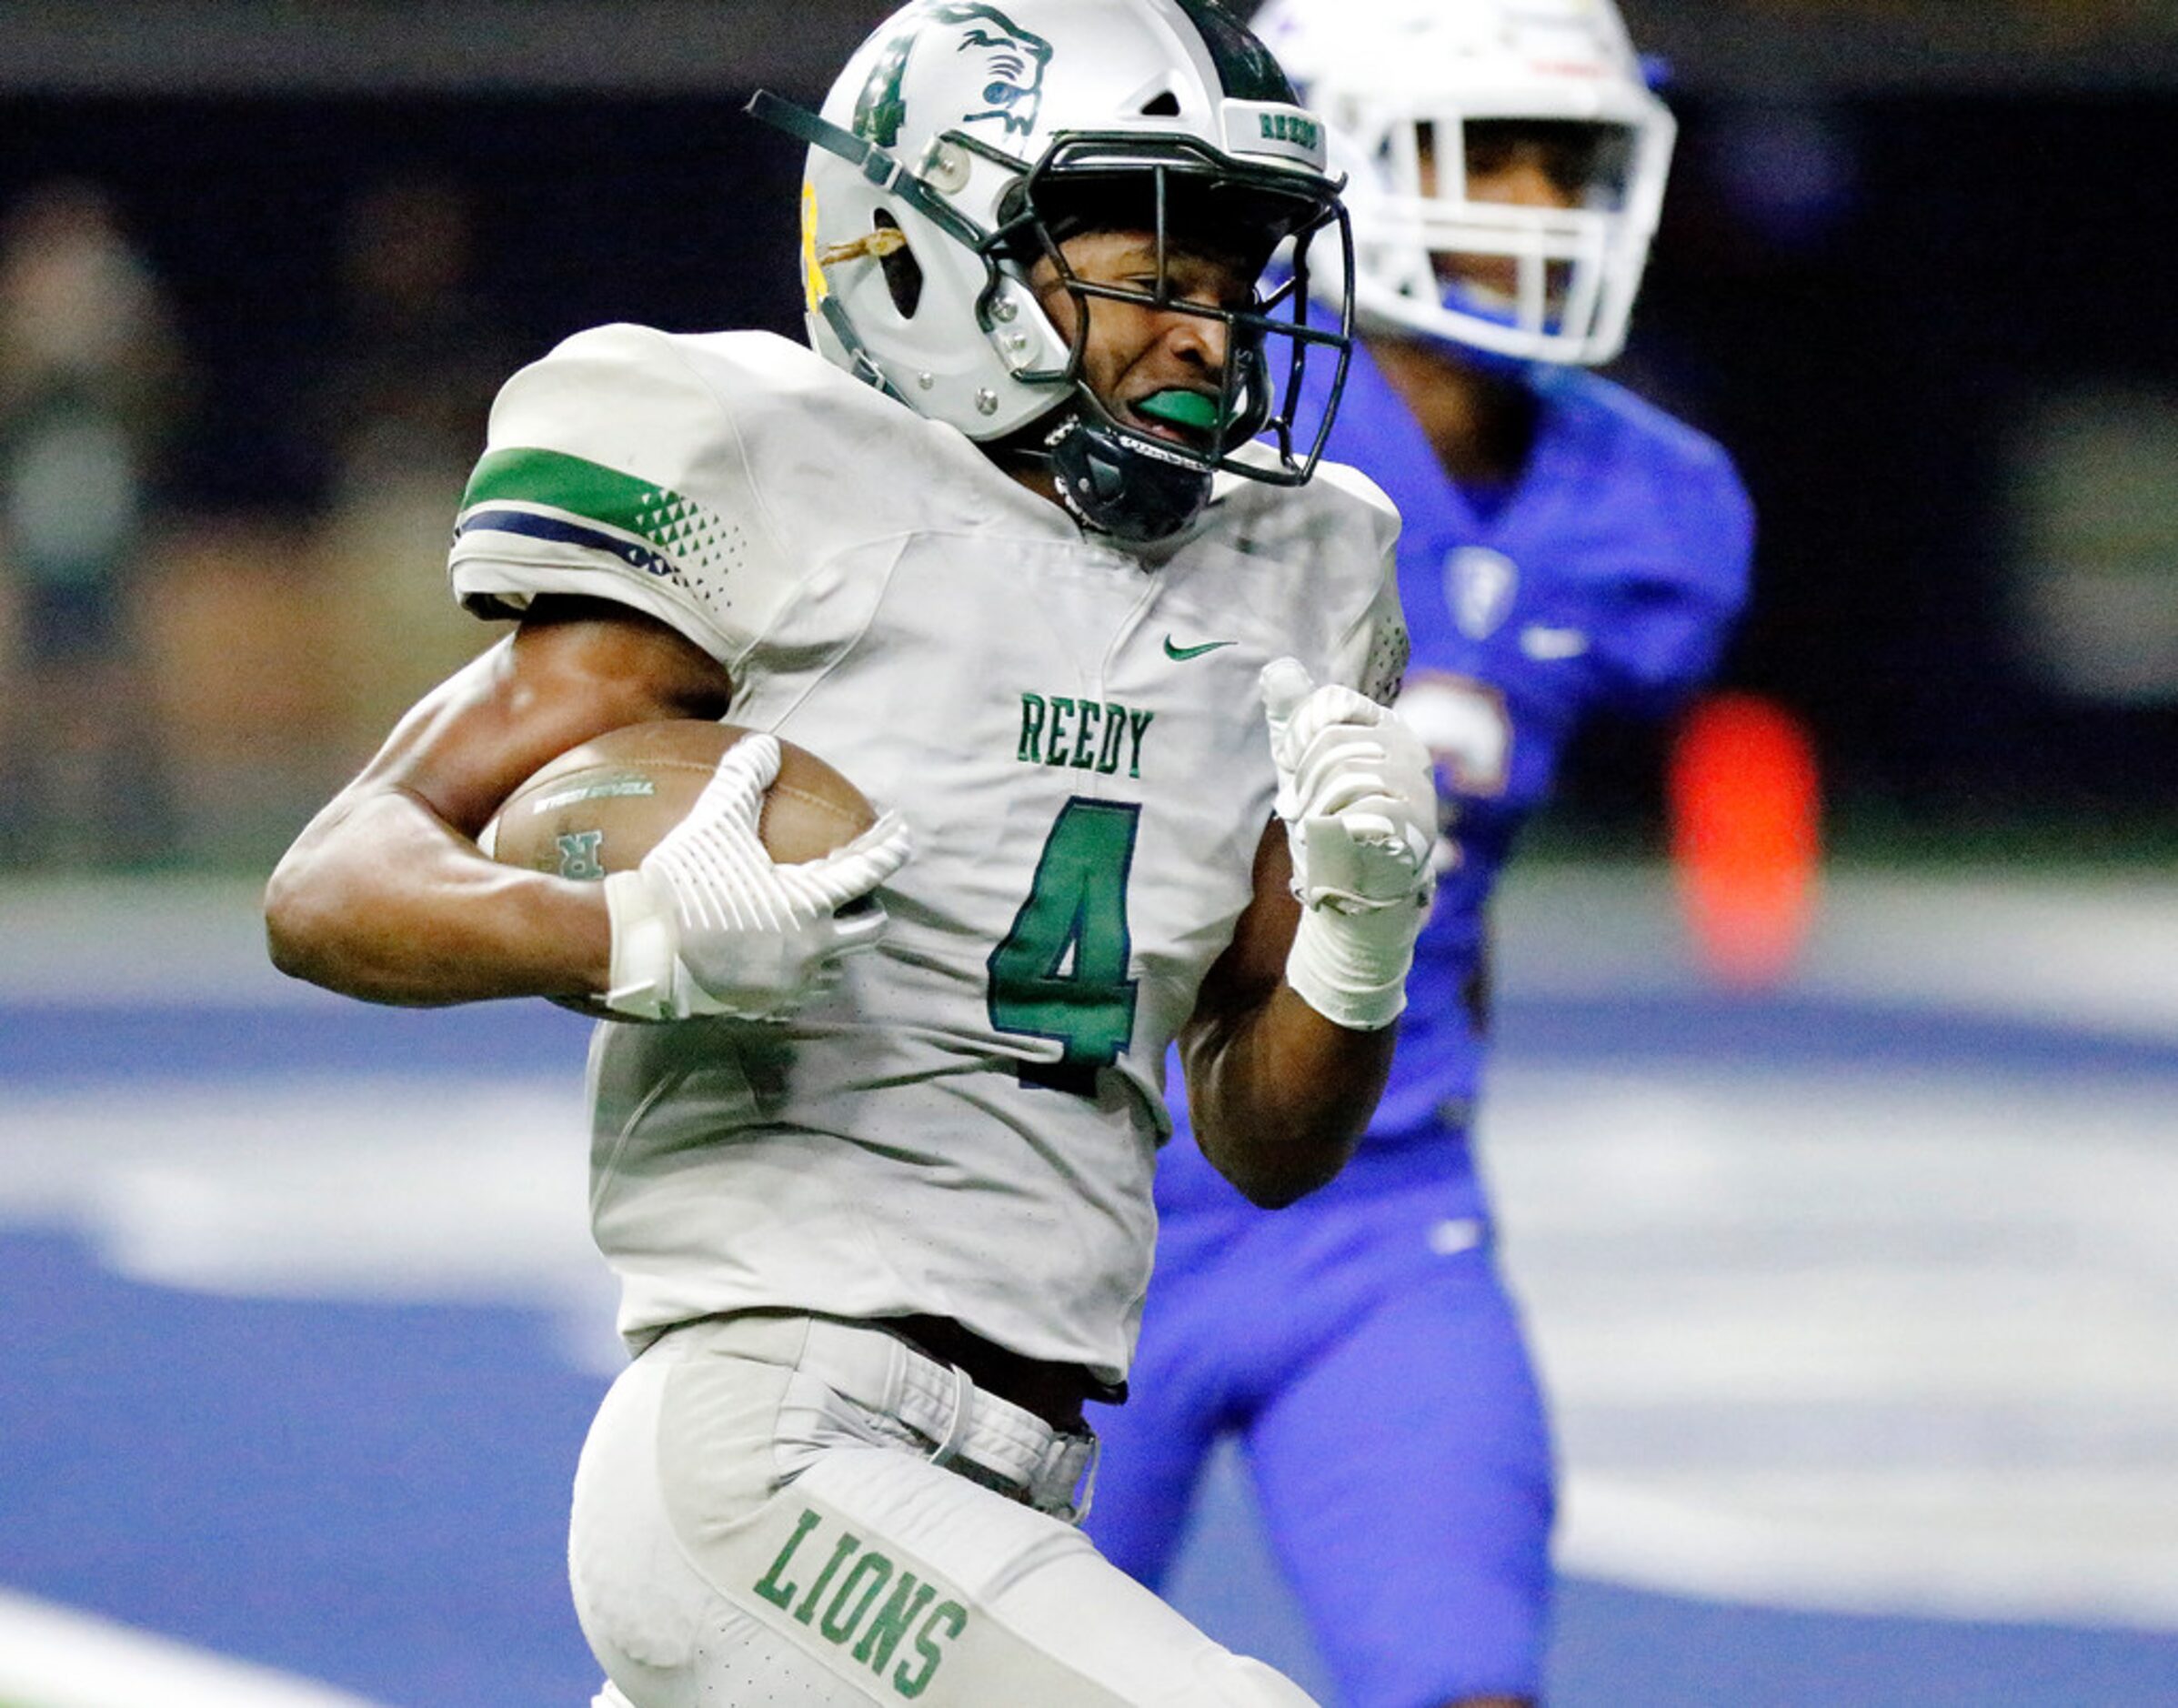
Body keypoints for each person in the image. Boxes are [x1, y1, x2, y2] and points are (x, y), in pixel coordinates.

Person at [264, 2, 1439, 1703]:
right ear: (942, 252)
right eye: (1153, 276)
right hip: (775, 1445)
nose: (1210, 335)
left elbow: (1265, 1139)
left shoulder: (1297, 577)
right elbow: (336, 881)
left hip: (1021, 1463)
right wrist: (633, 936)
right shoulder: (770, 469)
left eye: (1234, 285)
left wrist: (1359, 938)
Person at [1082, 3, 1755, 1705]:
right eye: (1488, 152)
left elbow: (1466, 879)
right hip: (1083, 1187)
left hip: (1380, 1201)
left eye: (1568, 159)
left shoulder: (1651, 511)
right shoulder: (1199, 418)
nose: (1535, 200)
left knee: (1465, 1682)